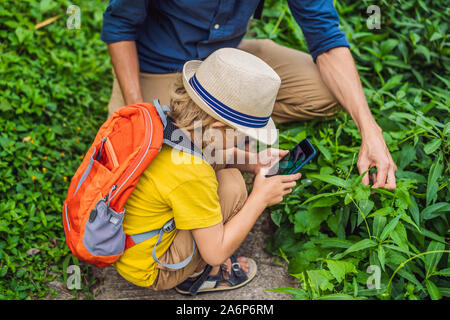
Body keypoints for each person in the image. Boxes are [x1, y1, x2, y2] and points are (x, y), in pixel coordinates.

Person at [101, 0, 397, 190]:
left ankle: (230, 123)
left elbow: (327, 38)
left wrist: (370, 131)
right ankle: (218, 131)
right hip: (159, 69)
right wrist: (137, 109)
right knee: (215, 183)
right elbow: (119, 25)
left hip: (224, 60)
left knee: (323, 92)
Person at [114, 47, 300, 294]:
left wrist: (253, 160)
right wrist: (260, 198)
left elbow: (211, 150)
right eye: (241, 135)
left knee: (228, 175)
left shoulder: (168, 122)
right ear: (218, 128)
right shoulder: (193, 173)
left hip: (131, 239)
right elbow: (216, 253)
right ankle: (198, 275)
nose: (244, 140)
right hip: (150, 267)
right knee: (233, 187)